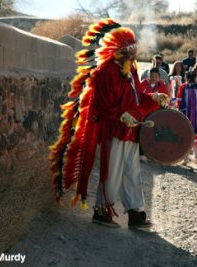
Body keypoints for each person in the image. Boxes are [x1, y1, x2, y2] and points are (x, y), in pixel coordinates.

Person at [49, 19, 169, 228]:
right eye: (129, 52)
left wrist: (154, 98)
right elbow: (103, 105)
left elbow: (137, 98)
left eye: (134, 51)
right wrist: (121, 116)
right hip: (114, 131)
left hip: (132, 132)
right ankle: (102, 210)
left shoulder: (130, 72)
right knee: (111, 172)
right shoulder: (105, 73)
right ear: (119, 52)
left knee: (132, 172)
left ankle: (135, 213)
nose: (133, 56)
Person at [176, 63, 197, 164]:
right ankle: (186, 156)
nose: (191, 78)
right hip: (186, 114)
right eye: (189, 77)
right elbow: (179, 100)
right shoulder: (183, 87)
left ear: (196, 77)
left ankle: (196, 155)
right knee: (186, 134)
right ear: (186, 77)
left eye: (193, 76)